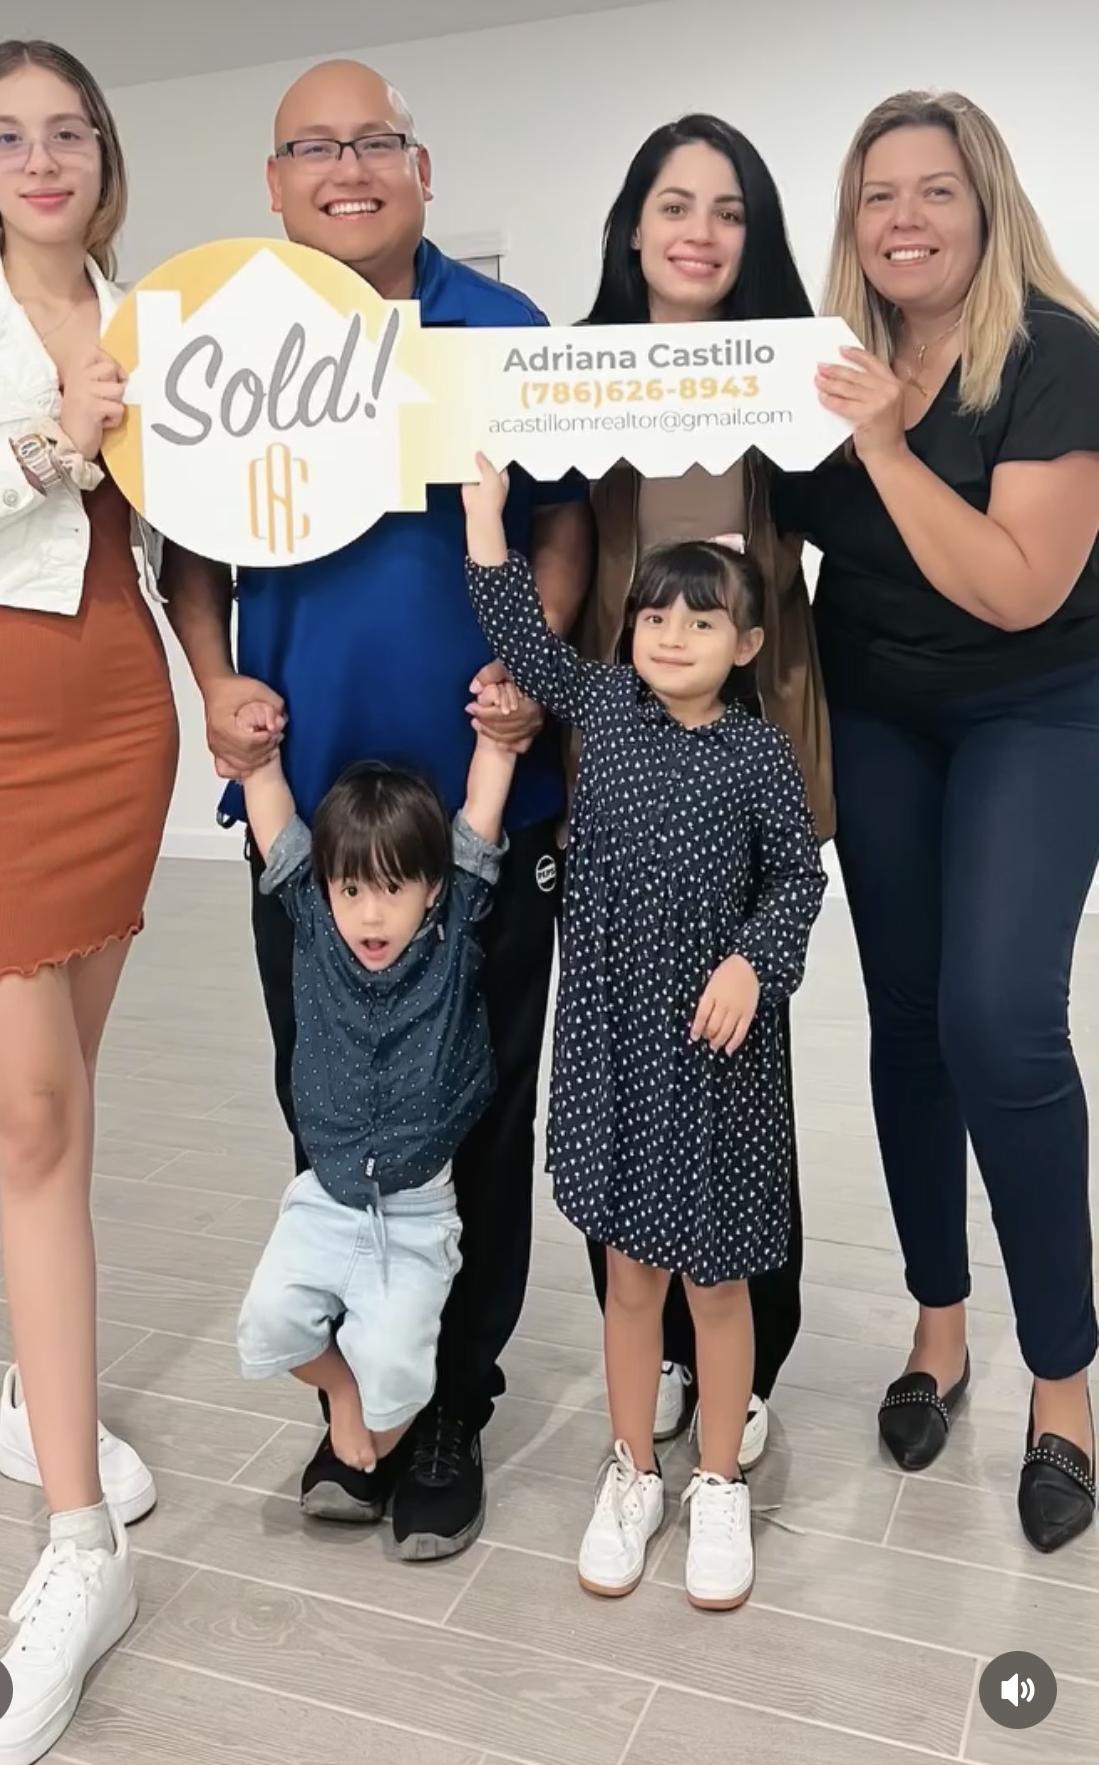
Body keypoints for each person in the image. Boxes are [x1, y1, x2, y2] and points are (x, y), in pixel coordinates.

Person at [163, 59, 591, 1560]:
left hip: (486, 809)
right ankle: (366, 1400)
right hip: (309, 833)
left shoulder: (502, 330)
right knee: (331, 1106)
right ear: (274, 184)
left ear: (422, 167)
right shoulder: (230, 340)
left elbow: (562, 524)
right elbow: (188, 557)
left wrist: (536, 665)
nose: (347, 167)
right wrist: (212, 679)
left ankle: (451, 1401)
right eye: (313, 146)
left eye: (374, 141)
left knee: (481, 1112)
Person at [0, 41, 177, 1762]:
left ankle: (35, 1391)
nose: (42, 157)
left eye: (68, 129)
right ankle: (82, 1546)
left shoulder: (157, 319)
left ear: (103, 153)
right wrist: (53, 441)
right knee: (30, 1115)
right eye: (9, 137)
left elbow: (188, 534)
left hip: (115, 715)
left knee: (63, 1106)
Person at [785, 88, 1099, 1553]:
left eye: (934, 191)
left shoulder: (1053, 355)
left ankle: (1065, 1381)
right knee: (907, 1017)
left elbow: (1020, 587)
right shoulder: (827, 365)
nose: (903, 218)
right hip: (880, 710)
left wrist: (888, 452)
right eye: (877, 195)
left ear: (986, 207)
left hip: (1040, 705)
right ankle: (937, 1324)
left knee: (998, 1020)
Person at [463, 453, 826, 1608]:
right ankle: (632, 1469)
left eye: (702, 619)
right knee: (630, 1278)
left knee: (717, 1284)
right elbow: (525, 640)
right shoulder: (607, 707)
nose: (672, 635)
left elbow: (798, 882)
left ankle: (717, 1478)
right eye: (655, 615)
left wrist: (753, 962)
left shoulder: (759, 755)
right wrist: (485, 523)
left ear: (749, 642)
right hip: (613, 1048)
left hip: (718, 1063)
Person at [574, 114, 833, 1459]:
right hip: (623, 759)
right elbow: (553, 544)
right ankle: (654, 1348)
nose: (699, 231)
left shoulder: (789, 372)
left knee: (739, 1057)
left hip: (752, 743)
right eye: (674, 204)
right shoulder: (577, 369)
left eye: (728, 211)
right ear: (633, 226)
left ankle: (744, 1351)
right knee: (625, 1059)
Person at [235, 726, 512, 1488]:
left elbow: (480, 817)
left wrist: (497, 739)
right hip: (322, 1202)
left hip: (416, 1220)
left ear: (434, 888)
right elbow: (276, 827)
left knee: (398, 1385)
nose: (369, 917)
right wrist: (256, 760)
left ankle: (379, 1400)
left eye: (393, 890)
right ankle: (342, 1389)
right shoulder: (314, 923)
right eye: (351, 890)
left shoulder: (454, 930)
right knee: (267, 1328)